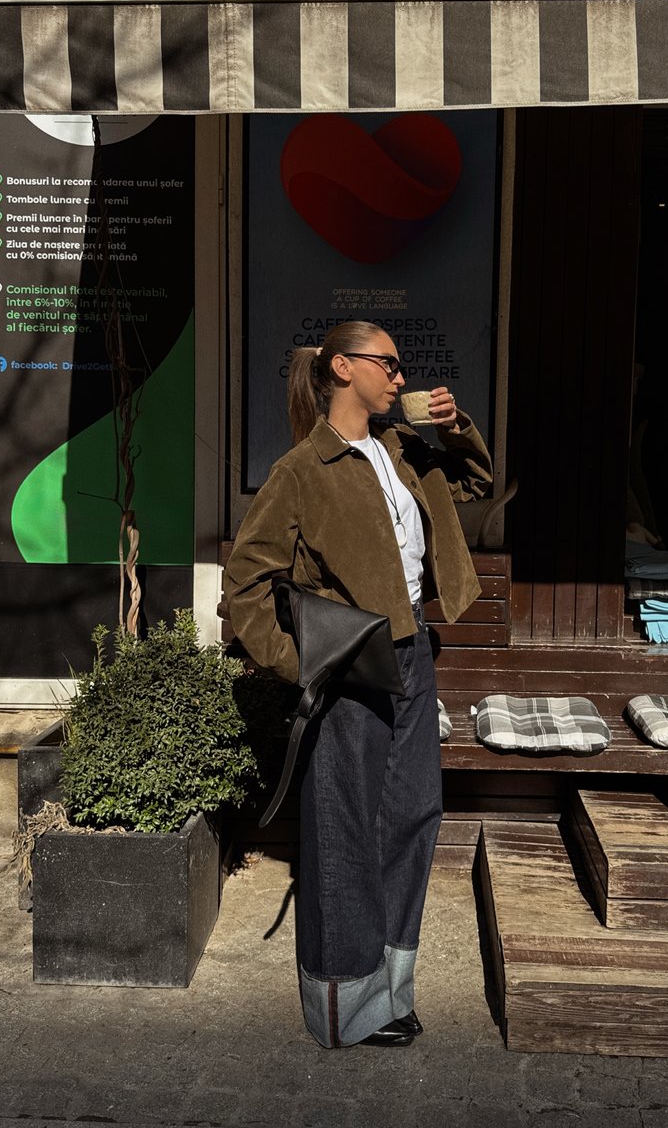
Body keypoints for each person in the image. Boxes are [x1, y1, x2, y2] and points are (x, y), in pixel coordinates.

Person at [224, 320, 492, 1050]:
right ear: (343, 368)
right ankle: (343, 1005)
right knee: (344, 830)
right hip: (350, 665)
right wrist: (297, 660)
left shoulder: (400, 451)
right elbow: (246, 583)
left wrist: (455, 424)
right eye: (389, 365)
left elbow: (476, 482)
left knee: (412, 814)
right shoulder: (301, 471)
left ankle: (389, 989)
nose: (400, 377)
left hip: (412, 657)